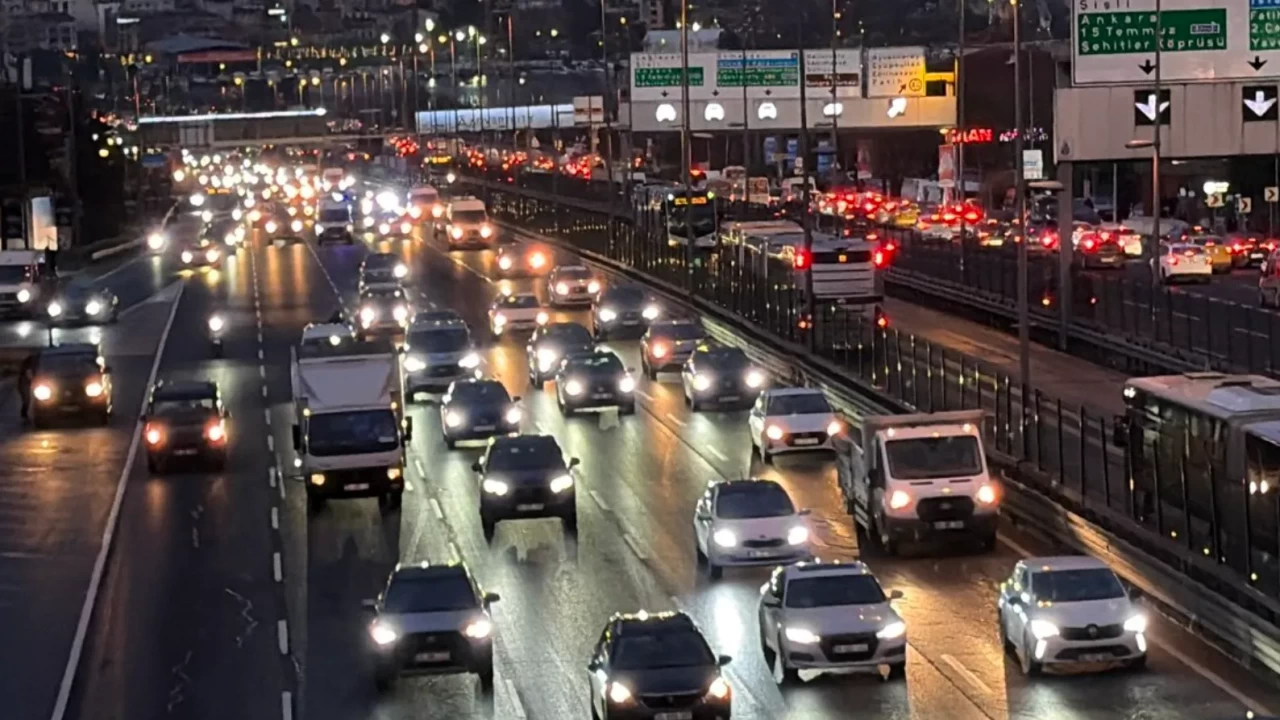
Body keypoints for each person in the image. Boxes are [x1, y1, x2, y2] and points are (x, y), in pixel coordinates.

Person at [17, 353, 35, 421]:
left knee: (26, 400)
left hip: (23, 385)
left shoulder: (25, 368)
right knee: (27, 400)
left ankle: (24, 415)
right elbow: (30, 377)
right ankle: (24, 415)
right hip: (24, 385)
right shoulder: (27, 368)